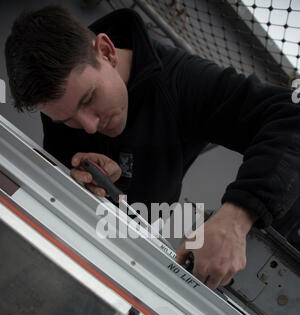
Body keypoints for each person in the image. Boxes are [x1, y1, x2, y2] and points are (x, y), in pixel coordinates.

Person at [5, 5, 300, 291]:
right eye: (68, 120)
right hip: (86, 239)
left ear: (106, 52)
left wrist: (237, 216)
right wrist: (95, 184)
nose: (89, 126)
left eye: (89, 99)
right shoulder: (60, 98)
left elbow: (290, 117)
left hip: (148, 230)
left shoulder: (181, 82)